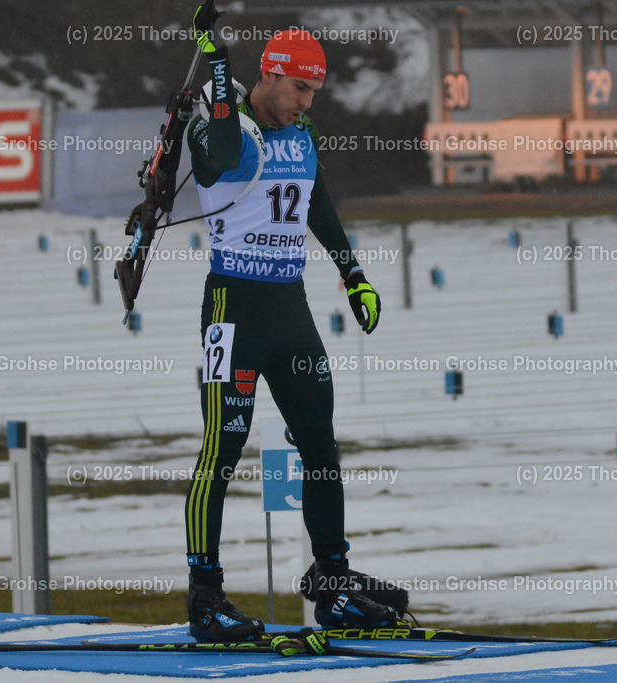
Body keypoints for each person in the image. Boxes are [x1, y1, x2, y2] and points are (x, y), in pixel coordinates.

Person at [182, 11, 401, 642]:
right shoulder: (221, 123)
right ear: (270, 76)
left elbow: (316, 200)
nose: (306, 103)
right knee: (221, 450)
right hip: (234, 308)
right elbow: (224, 154)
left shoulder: (302, 133)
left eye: (314, 92)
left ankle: (333, 585)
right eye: (300, 88)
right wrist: (217, 67)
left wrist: (353, 274)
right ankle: (205, 596)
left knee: (320, 447)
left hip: (289, 307)